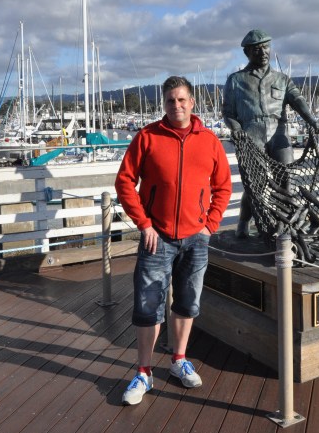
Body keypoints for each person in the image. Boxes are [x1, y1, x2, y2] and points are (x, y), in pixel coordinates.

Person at [114, 75, 232, 406]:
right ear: (163, 104)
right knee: (147, 307)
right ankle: (144, 372)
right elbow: (125, 182)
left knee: (187, 302)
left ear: (192, 103)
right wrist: (145, 224)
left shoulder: (209, 141)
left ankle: (179, 360)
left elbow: (223, 187)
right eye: (170, 101)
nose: (176, 105)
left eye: (181, 100)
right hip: (157, 238)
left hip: (196, 238)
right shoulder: (147, 137)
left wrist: (209, 225)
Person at [223, 29, 319, 238]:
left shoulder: (282, 79)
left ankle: (283, 222)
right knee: (255, 185)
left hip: (278, 134)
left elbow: (298, 101)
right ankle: (243, 223)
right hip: (251, 136)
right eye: (257, 49)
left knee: (287, 178)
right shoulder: (235, 80)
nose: (263, 52)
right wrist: (237, 130)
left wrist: (312, 121)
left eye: (266, 47)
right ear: (247, 52)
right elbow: (228, 113)